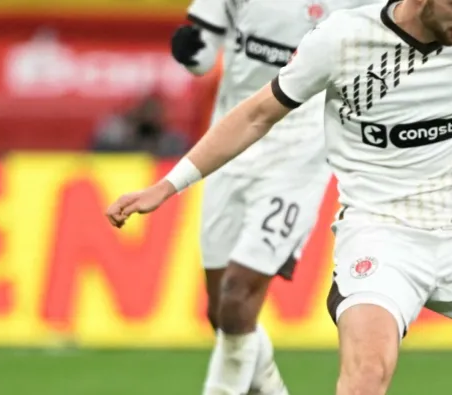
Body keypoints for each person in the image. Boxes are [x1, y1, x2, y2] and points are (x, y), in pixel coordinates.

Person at [106, 1, 452, 394]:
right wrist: (168, 184)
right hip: (382, 238)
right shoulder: (343, 39)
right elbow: (255, 114)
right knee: (366, 377)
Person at [168, 1, 384, 394]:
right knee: (222, 313)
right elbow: (201, 56)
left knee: (237, 294)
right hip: (230, 146)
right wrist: (189, 48)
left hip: (299, 154)